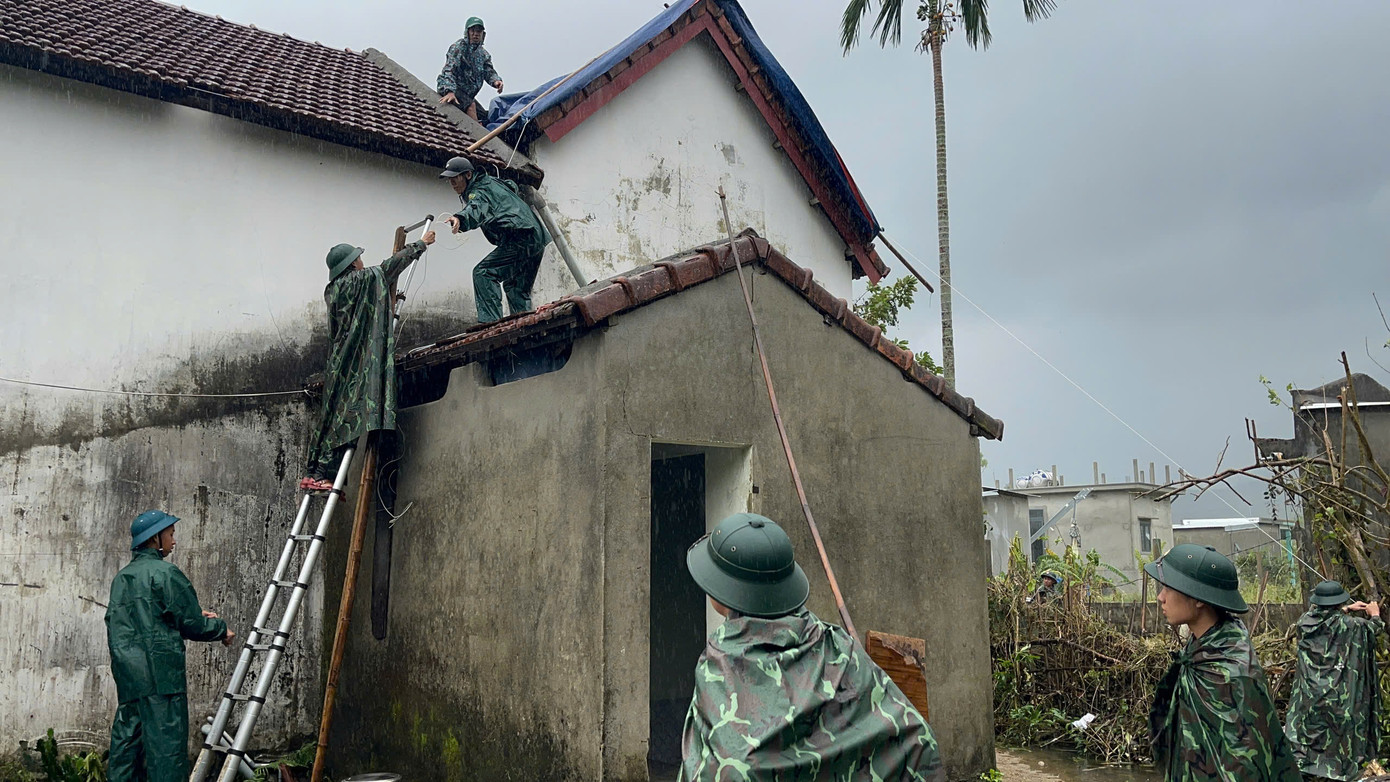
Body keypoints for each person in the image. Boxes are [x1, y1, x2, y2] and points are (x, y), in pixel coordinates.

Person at [679, 513, 945, 781]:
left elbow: (714, 766)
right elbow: (913, 736)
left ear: (725, 591)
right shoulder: (838, 646)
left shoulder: (717, 664)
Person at [1144, 544, 1300, 781]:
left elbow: (1245, 765)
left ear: (1197, 598)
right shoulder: (1197, 652)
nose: (1160, 597)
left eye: (1168, 587)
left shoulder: (1232, 674)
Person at [300, 230, 436, 492]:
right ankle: (325, 474)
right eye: (358, 258)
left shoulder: (334, 290)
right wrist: (421, 244)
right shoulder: (361, 280)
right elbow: (388, 268)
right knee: (350, 414)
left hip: (338, 359)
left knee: (332, 413)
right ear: (352, 264)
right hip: (359, 358)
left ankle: (315, 470)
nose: (362, 261)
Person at [106, 510, 234, 782]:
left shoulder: (122, 579)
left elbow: (145, 619)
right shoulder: (165, 573)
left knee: (127, 749)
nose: (174, 540)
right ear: (155, 538)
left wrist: (193, 616)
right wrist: (221, 628)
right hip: (161, 678)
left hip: (129, 680)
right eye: (171, 534)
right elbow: (191, 624)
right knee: (166, 754)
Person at [1284, 580, 1382, 781]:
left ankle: (1313, 771)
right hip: (1340, 700)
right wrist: (1375, 613)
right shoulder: (1354, 626)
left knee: (1314, 737)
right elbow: (1374, 629)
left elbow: (1318, 617)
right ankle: (1339, 773)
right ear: (1339, 602)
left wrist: (1345, 609)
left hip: (1310, 699)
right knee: (1342, 742)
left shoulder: (1304, 624)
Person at [440, 156, 551, 324]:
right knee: (515, 288)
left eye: (455, 179)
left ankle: (490, 324)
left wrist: (460, 219)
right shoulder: (492, 182)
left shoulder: (479, 190)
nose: (453, 184)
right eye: (450, 181)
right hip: (535, 237)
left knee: (483, 273)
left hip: (521, 237)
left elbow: (477, 207)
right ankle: (525, 327)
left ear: (468, 175)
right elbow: (511, 186)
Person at [436, 16, 503, 121]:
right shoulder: (458, 48)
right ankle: (477, 137)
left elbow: (488, 71)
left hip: (468, 95)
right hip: (453, 88)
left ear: (483, 34)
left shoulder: (483, 54)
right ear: (467, 32)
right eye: (473, 30)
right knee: (471, 106)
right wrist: (449, 91)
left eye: (479, 31)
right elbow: (449, 70)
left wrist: (496, 81)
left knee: (486, 117)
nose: (475, 34)